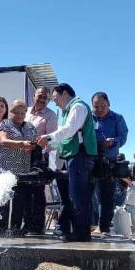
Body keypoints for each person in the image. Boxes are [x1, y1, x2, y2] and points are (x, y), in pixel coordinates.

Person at [38, 83, 97, 242]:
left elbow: (70, 130)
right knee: (76, 195)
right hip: (75, 155)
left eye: (55, 98)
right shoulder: (67, 111)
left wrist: (48, 137)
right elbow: (64, 138)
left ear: (65, 93)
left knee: (78, 195)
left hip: (80, 156)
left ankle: (81, 233)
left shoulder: (78, 107)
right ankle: (80, 231)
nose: (55, 102)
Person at [0, 100, 37, 235]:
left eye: (23, 113)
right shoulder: (5, 124)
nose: (19, 115)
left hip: (24, 171)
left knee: (19, 202)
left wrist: (34, 147)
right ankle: (1, 229)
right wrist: (22, 144)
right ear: (11, 112)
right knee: (4, 202)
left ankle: (15, 229)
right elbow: (4, 141)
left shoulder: (31, 127)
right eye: (16, 112)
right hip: (6, 170)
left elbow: (35, 145)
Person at [92, 92, 128, 237]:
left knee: (107, 196)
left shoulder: (118, 118)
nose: (99, 109)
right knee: (90, 195)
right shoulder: (88, 118)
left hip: (110, 162)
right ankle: (91, 225)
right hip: (91, 161)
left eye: (103, 106)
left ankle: (105, 228)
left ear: (109, 104)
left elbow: (124, 136)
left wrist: (113, 141)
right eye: (96, 106)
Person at [24, 87, 58, 234]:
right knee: (24, 191)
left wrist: (38, 151)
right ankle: (26, 224)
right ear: (34, 96)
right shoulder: (25, 111)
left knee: (38, 193)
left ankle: (38, 227)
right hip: (22, 156)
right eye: (40, 96)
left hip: (39, 158)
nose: (42, 99)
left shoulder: (51, 115)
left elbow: (51, 141)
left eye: (45, 97)